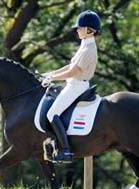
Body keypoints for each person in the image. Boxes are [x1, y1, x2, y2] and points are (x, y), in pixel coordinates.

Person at [41, 10, 101, 163]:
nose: (77, 30)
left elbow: (73, 72)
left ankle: (65, 151)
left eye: (80, 28)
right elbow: (70, 66)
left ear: (89, 30)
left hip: (77, 86)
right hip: (73, 83)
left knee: (51, 114)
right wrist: (50, 73)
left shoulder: (89, 49)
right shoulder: (84, 45)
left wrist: (52, 78)